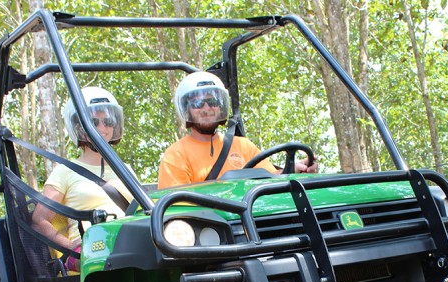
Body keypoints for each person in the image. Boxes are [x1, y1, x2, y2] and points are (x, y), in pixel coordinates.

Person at [158, 71, 318, 188]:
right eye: (197, 103)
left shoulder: (243, 146)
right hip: (213, 229)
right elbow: (176, 207)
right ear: (186, 109)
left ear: (221, 106)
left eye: (212, 101)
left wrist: (295, 169)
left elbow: (271, 179)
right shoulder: (176, 155)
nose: (207, 108)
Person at [32, 86, 132, 259]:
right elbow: (39, 220)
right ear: (78, 127)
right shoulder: (65, 171)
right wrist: (72, 248)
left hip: (130, 244)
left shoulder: (125, 169)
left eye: (108, 121)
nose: (102, 127)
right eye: (93, 122)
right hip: (95, 251)